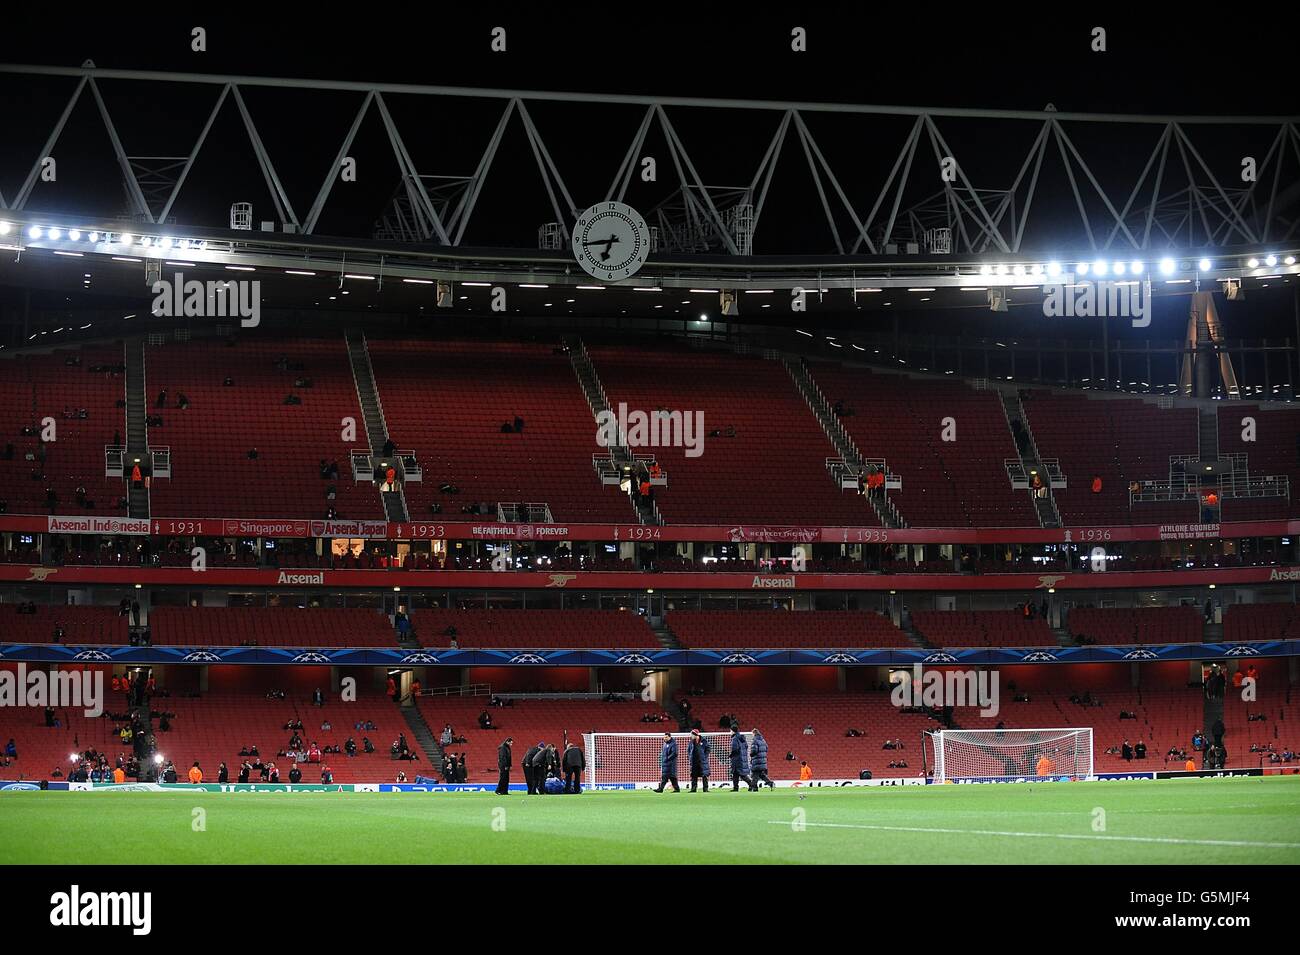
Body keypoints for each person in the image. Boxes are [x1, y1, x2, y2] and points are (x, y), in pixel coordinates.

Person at [729, 727, 755, 792]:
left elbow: (735, 749)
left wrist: (731, 755)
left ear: (733, 731)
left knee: (741, 774)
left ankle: (751, 784)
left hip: (737, 759)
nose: (730, 732)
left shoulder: (735, 738)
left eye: (730, 731)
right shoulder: (742, 738)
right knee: (735, 773)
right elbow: (746, 747)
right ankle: (735, 788)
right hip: (742, 758)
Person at [687, 728, 711, 793]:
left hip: (702, 761)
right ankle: (693, 789)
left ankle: (705, 789)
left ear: (695, 735)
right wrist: (690, 757)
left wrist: (704, 756)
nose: (691, 736)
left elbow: (708, 749)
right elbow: (689, 750)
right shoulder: (691, 742)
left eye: (692, 734)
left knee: (704, 775)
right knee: (694, 776)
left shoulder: (703, 741)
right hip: (694, 761)